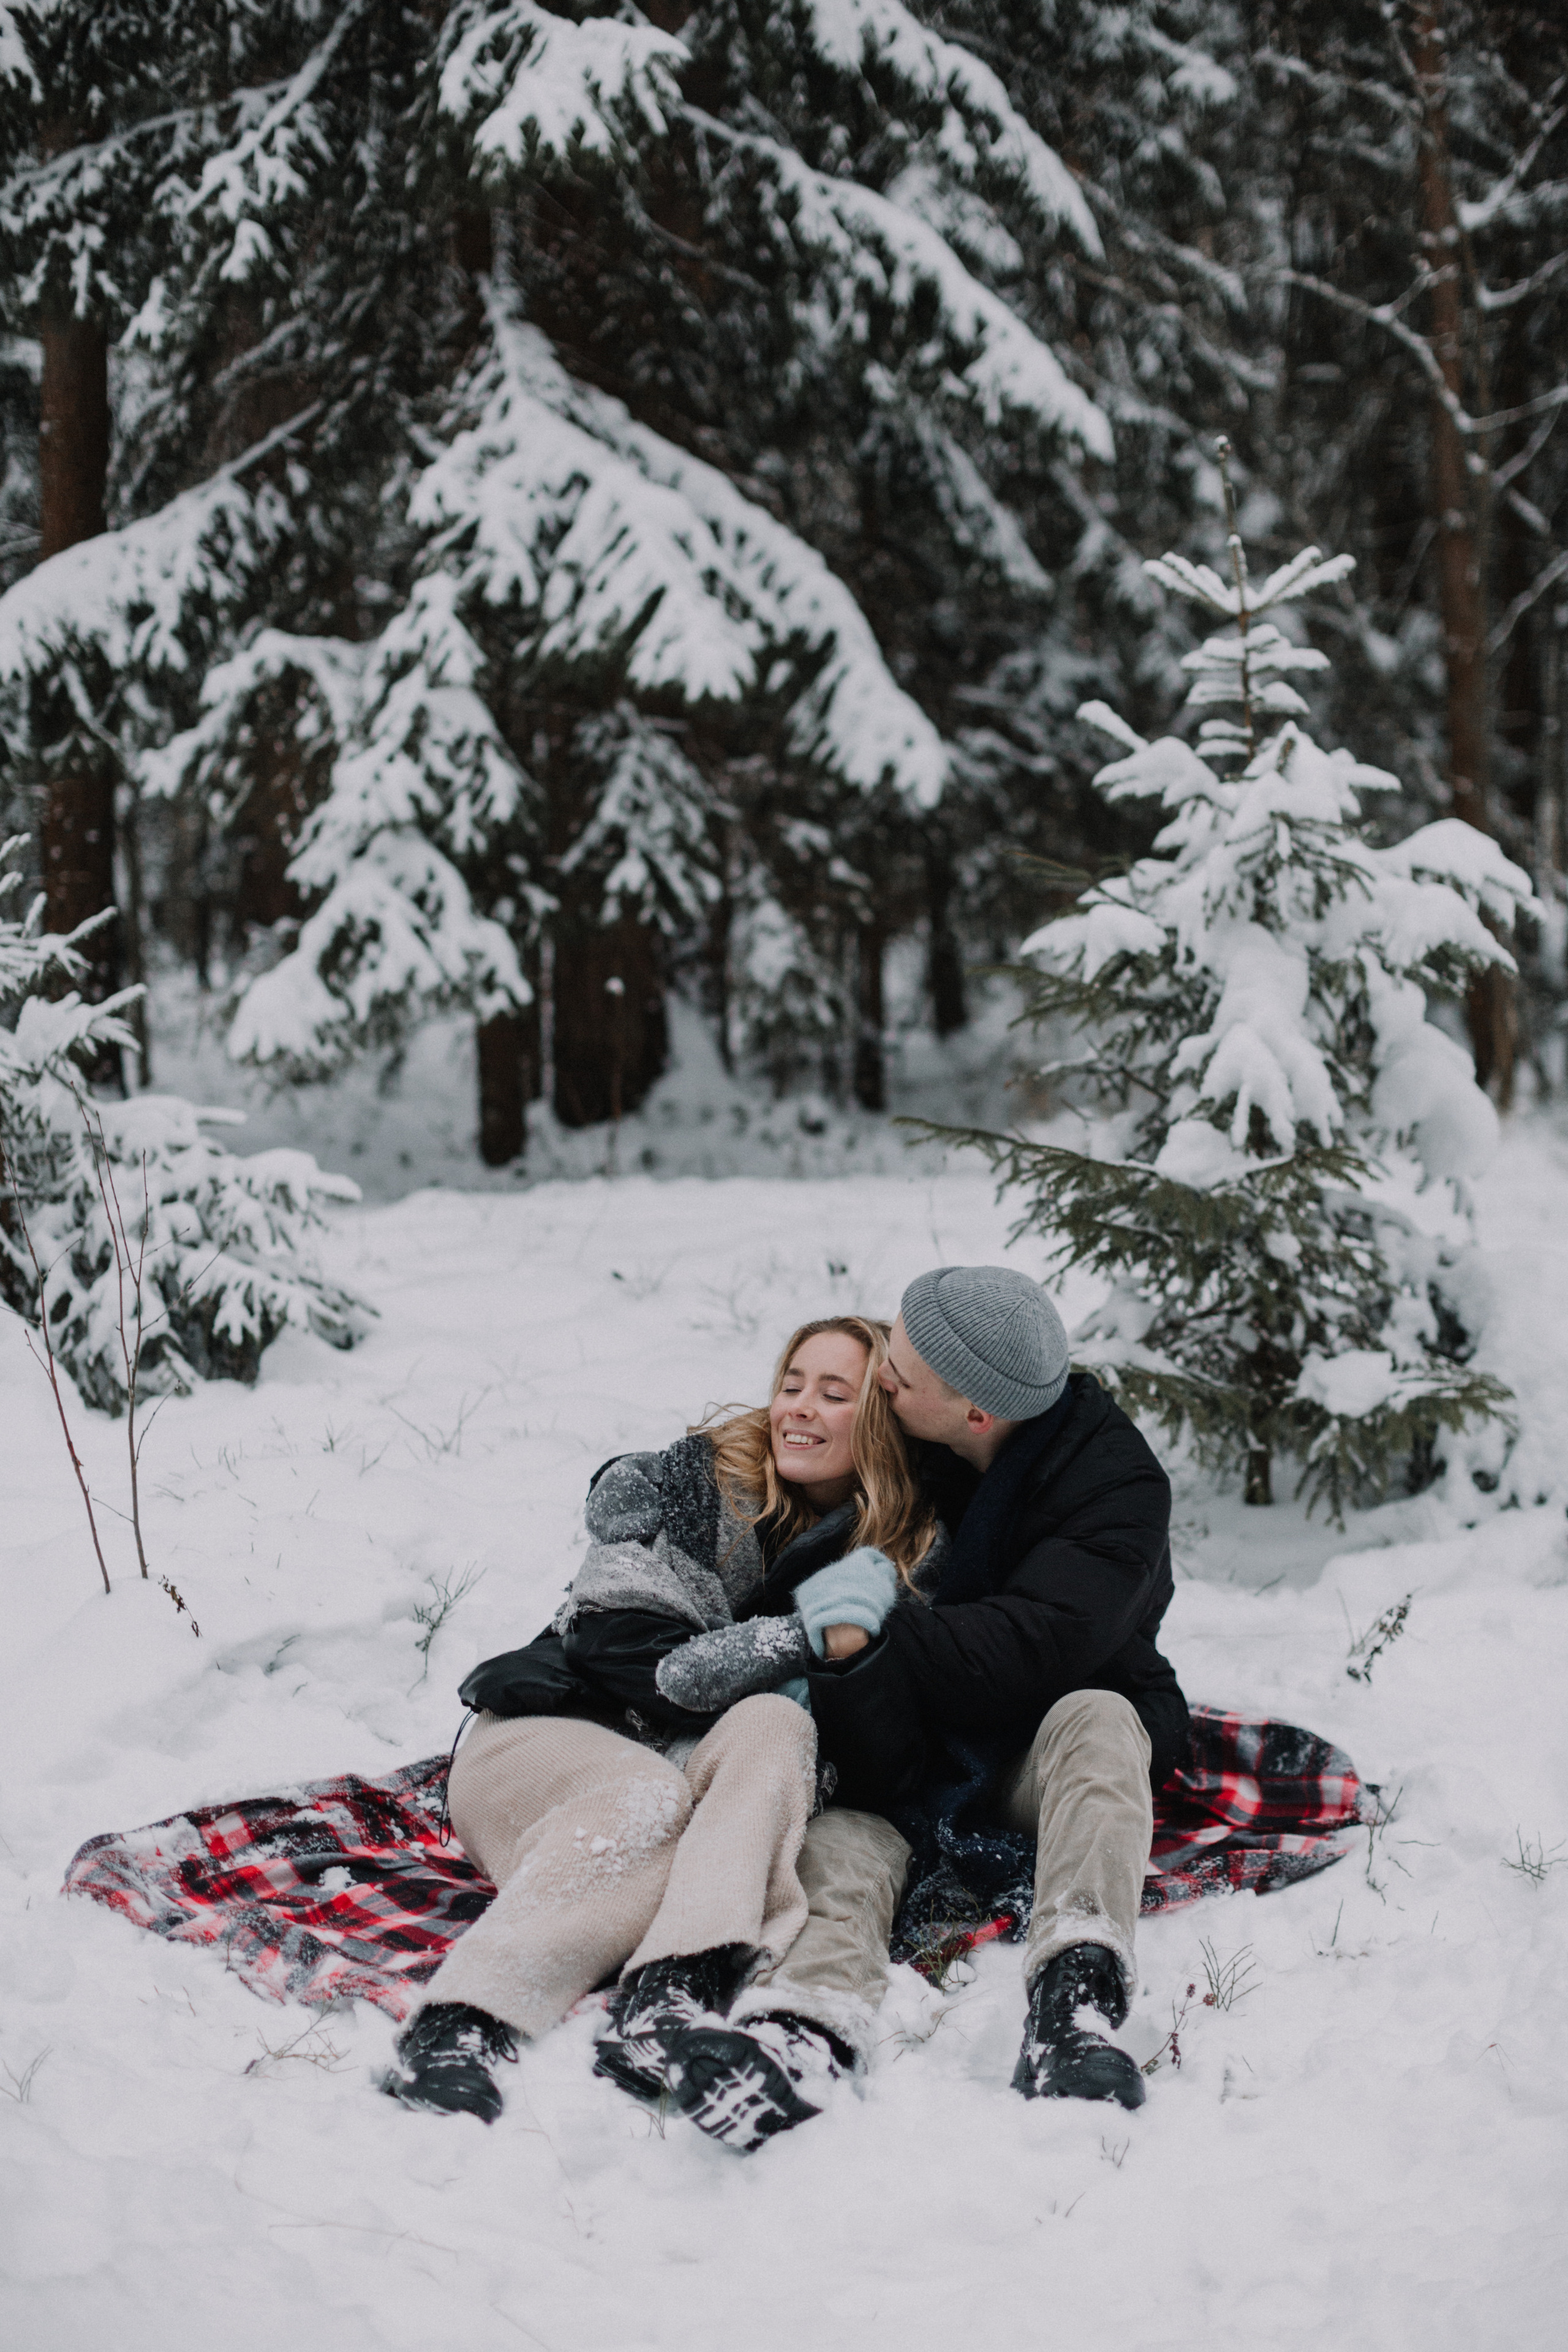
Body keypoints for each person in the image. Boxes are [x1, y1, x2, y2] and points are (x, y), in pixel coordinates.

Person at [383, 1314, 943, 2153]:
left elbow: (870, 1734)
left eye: (835, 1394)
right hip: (547, 1744)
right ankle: (465, 2022)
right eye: (791, 1384)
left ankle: (671, 1989)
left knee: (775, 1722)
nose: (799, 1408)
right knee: (646, 1800)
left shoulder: (899, 1551)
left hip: (688, 1787)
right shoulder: (687, 1490)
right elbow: (636, 1658)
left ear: (882, 1421)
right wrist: (802, 1641)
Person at [659, 1265, 1186, 2113]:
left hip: (1032, 1743)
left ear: (974, 1413)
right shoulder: (915, 1428)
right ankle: (803, 2026)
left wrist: (875, 1627)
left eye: (894, 1375)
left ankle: (1075, 2001)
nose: (878, 1381)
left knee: (1102, 1720)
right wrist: (665, 1486)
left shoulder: (1114, 1489)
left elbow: (1029, 1647)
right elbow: (793, 1426)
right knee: (847, 1833)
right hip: (894, 1737)